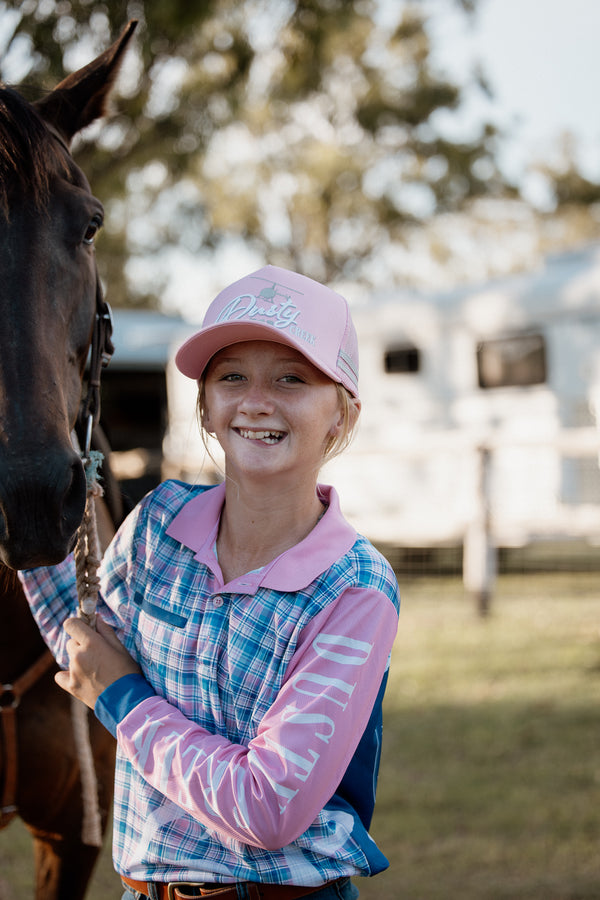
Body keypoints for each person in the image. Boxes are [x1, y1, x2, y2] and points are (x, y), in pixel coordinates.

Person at [19, 265, 400, 900]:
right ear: (206, 405)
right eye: (231, 377)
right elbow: (89, 651)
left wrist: (124, 700)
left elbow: (267, 810)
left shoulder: (355, 589)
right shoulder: (159, 525)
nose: (256, 400)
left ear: (341, 413)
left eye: (292, 378)